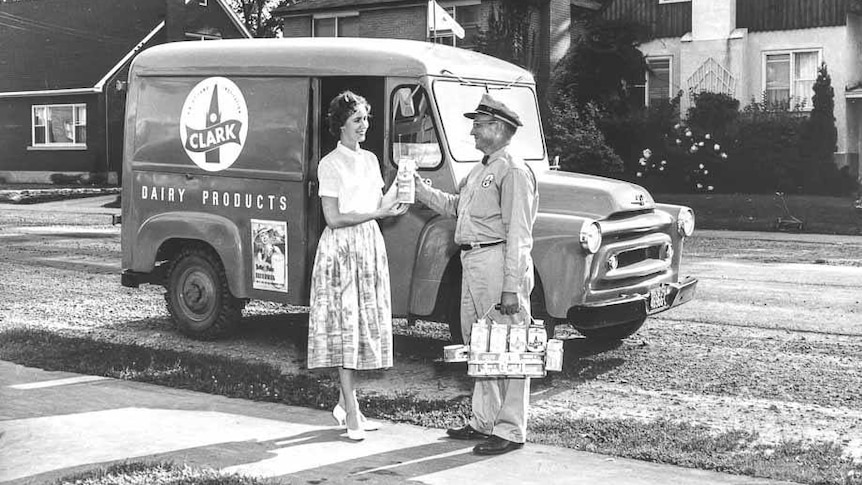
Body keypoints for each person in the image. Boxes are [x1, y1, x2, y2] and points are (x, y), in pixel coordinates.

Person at [414, 93, 539, 456]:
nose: (472, 131)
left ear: (498, 128)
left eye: (479, 124)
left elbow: (519, 232)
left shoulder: (512, 170)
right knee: (481, 344)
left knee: (510, 348)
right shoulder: (481, 169)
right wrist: (421, 191)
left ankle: (511, 429)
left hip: (499, 262)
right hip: (473, 261)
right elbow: (457, 208)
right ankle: (484, 421)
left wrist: (511, 286)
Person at [307, 90, 407, 441]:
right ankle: (351, 409)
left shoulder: (370, 160)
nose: (364, 125)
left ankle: (344, 404)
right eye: (357, 119)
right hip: (341, 251)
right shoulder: (329, 164)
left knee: (363, 326)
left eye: (366, 118)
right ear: (341, 124)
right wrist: (378, 213)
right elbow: (332, 218)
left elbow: (379, 202)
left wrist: (404, 188)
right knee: (345, 328)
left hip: (368, 246)